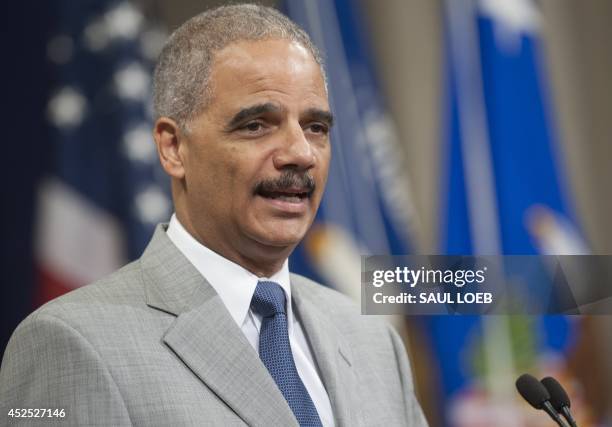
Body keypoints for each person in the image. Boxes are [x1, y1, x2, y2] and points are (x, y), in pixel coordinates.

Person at [0, 4, 427, 426]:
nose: (300, 152)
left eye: (315, 127)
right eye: (257, 124)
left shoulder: (373, 340)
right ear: (173, 147)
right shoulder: (67, 341)